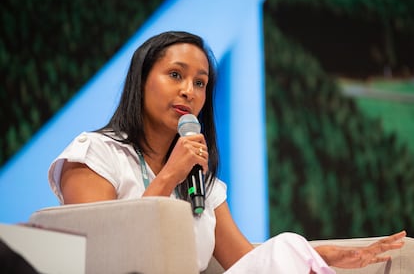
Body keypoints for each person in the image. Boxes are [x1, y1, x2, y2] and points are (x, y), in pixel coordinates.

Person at [48, 31, 405, 273]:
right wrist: (169, 174)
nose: (189, 91)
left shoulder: (201, 181)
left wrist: (318, 254)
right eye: (175, 75)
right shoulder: (94, 154)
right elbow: (98, 258)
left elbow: (248, 262)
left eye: (200, 83)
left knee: (287, 244)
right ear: (141, 81)